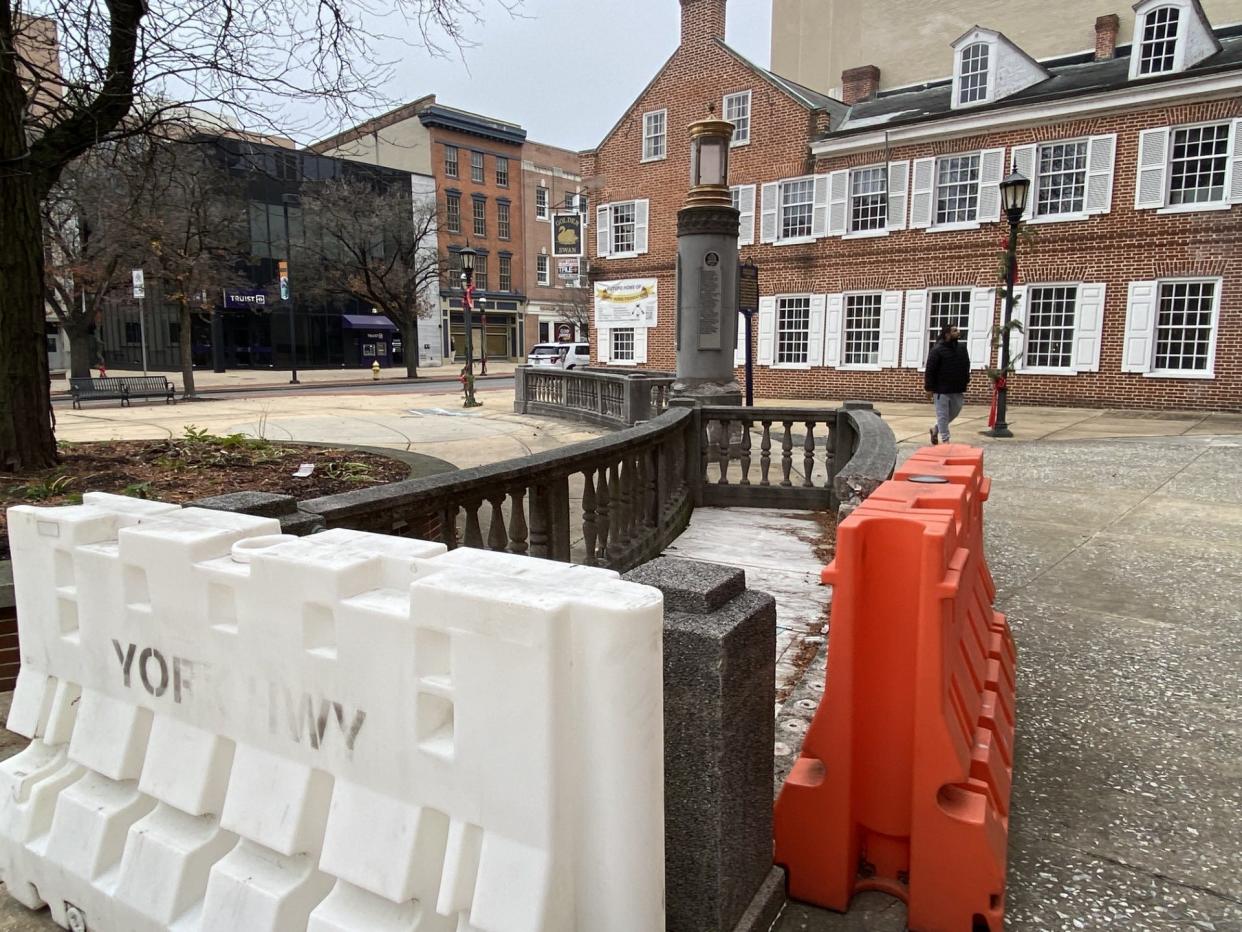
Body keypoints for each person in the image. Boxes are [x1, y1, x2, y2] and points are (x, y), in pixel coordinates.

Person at [924, 323, 970, 445]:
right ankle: (945, 440)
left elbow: (966, 365)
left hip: (957, 387)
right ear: (947, 334)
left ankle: (936, 429)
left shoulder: (962, 348)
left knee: (955, 411)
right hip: (941, 389)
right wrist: (929, 388)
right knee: (943, 415)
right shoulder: (937, 350)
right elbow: (930, 369)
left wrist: (966, 379)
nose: (958, 332)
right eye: (955, 331)